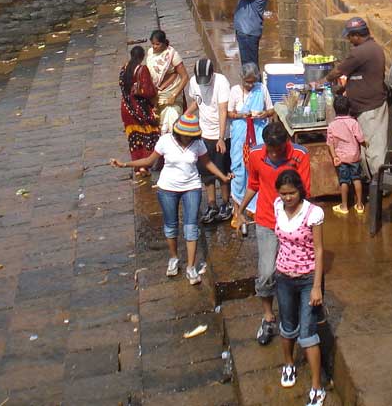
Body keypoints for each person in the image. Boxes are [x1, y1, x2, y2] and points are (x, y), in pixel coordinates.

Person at [110, 113, 232, 285]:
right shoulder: (165, 141)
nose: (187, 138)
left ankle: (190, 267)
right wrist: (125, 165)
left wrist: (223, 176)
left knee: (191, 227)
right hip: (167, 188)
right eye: (185, 135)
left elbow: (207, 163)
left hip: (192, 187)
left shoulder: (198, 144)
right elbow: (150, 160)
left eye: (191, 135)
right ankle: (174, 257)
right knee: (171, 225)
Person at [234, 121, 311, 347]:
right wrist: (239, 210)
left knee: (294, 272)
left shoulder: (300, 155)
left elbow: (305, 191)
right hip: (266, 220)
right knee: (267, 272)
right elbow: (253, 184)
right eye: (272, 149)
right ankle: (268, 317)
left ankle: (294, 315)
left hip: (293, 223)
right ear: (266, 145)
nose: (275, 154)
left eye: (279, 149)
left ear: (286, 143)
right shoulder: (257, 155)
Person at [271, 169, 327, 405]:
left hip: (306, 279)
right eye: (283, 194)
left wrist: (317, 287)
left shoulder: (313, 213)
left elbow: (319, 250)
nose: (287, 198)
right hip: (283, 277)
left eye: (291, 193)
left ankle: (316, 387)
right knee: (287, 326)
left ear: (300, 191)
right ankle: (289, 364)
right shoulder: (277, 206)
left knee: (307, 334)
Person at [324, 17, 388, 176]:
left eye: (349, 36)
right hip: (365, 106)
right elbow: (362, 76)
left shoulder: (360, 52)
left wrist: (322, 81)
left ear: (356, 35)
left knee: (374, 150)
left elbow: (338, 71)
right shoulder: (372, 48)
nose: (348, 39)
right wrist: (345, 87)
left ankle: (379, 186)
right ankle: (373, 182)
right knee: (369, 147)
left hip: (370, 108)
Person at [188, 58, 234, 223]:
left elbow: (223, 110)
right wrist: (185, 116)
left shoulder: (221, 82)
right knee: (206, 173)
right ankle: (212, 204)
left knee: (222, 171)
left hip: (221, 135)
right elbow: (197, 101)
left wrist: (221, 138)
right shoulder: (194, 82)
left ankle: (226, 203)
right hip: (203, 134)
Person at [228, 61, 274, 223]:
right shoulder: (234, 91)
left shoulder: (261, 89)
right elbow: (229, 113)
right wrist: (242, 115)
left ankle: (257, 208)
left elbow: (271, 110)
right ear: (241, 79)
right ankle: (237, 210)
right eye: (247, 81)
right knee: (239, 172)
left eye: (252, 81)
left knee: (258, 171)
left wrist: (263, 114)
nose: (250, 84)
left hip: (258, 137)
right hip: (240, 139)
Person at [119, 45, 159, 176]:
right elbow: (148, 91)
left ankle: (138, 166)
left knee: (134, 138)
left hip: (126, 108)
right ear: (142, 57)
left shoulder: (124, 68)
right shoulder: (142, 69)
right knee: (148, 136)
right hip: (140, 108)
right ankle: (144, 166)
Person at [326, 95, 365, 215]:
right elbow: (360, 139)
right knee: (357, 179)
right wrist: (365, 144)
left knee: (344, 181)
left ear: (334, 109)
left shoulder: (332, 125)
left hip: (341, 158)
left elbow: (330, 143)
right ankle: (359, 205)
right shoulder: (354, 122)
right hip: (354, 157)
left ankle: (344, 206)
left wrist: (334, 157)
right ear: (349, 109)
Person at [148, 30, 189, 128]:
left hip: (170, 95)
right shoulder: (150, 52)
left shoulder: (172, 55)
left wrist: (174, 95)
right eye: (153, 44)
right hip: (156, 95)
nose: (154, 46)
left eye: (157, 44)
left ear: (163, 43)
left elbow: (185, 77)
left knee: (171, 122)